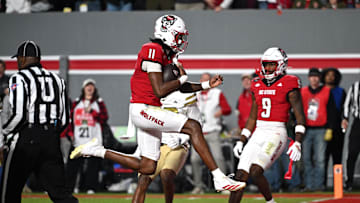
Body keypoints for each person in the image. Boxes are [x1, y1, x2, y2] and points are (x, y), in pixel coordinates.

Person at [70, 14, 245, 193]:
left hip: (148, 110)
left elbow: (180, 87)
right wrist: (180, 79)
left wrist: (206, 85)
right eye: (179, 36)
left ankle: (96, 150)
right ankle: (218, 177)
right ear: (166, 33)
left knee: (147, 166)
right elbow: (160, 90)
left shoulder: (166, 55)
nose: (181, 40)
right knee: (193, 126)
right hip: (143, 109)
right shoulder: (151, 49)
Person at [0, 40, 78, 203]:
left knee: (9, 192)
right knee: (60, 194)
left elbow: (20, 114)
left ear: (22, 58)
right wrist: (50, 133)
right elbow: (64, 118)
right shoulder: (57, 79)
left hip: (26, 138)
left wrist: (5, 131)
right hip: (51, 138)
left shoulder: (19, 77)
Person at [230, 47, 306, 203]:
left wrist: (298, 141)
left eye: (272, 64)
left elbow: (300, 116)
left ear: (281, 65)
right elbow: (252, 117)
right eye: (266, 64)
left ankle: (270, 202)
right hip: (259, 131)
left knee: (255, 171)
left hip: (277, 132)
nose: (268, 68)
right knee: (240, 175)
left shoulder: (289, 83)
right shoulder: (257, 84)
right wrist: (242, 139)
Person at [133, 86, 200, 203]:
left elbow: (197, 123)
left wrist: (181, 138)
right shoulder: (152, 96)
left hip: (177, 146)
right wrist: (141, 147)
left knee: (166, 175)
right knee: (143, 180)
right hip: (156, 144)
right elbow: (145, 123)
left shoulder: (186, 96)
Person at [190, 72, 231, 194]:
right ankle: (198, 186)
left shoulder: (217, 93)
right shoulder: (195, 93)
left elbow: (227, 109)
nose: (206, 83)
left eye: (207, 80)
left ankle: (224, 185)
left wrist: (221, 112)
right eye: (203, 80)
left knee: (218, 157)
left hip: (213, 131)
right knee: (194, 159)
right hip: (198, 132)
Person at [66, 78, 109, 194]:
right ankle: (71, 187)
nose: (89, 88)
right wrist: (69, 133)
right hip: (78, 141)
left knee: (93, 166)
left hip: (93, 140)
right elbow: (70, 120)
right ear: (83, 89)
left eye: (92, 86)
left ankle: (90, 187)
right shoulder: (76, 103)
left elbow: (104, 119)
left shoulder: (98, 103)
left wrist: (92, 112)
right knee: (73, 165)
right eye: (87, 86)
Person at [301, 67, 336, 191]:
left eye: (316, 76)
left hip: (321, 129)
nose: (314, 79)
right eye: (312, 76)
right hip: (306, 129)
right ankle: (309, 185)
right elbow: (298, 110)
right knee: (306, 159)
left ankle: (319, 185)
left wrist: (330, 128)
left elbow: (331, 110)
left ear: (319, 78)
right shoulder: (303, 92)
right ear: (309, 78)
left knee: (320, 159)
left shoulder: (326, 91)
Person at [321, 67, 346, 188]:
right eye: (328, 75)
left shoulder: (341, 91)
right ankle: (322, 184)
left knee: (337, 157)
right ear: (324, 77)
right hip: (322, 128)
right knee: (322, 158)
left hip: (337, 129)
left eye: (333, 75)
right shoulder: (320, 91)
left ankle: (338, 186)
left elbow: (344, 111)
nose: (331, 77)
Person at [342, 80, 360, 191]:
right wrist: (345, 118)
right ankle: (349, 183)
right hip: (358, 122)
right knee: (352, 153)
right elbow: (347, 104)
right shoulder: (355, 86)